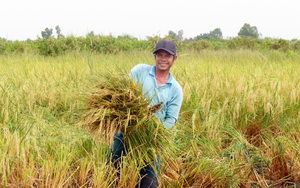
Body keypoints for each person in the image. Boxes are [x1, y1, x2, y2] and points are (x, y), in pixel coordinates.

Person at [109, 40, 183, 188]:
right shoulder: (140, 71)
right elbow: (125, 94)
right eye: (159, 55)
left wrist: (153, 132)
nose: (163, 59)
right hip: (127, 132)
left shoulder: (175, 89)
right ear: (154, 56)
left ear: (174, 59)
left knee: (149, 183)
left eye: (167, 56)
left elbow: (171, 119)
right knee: (112, 173)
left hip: (152, 141)